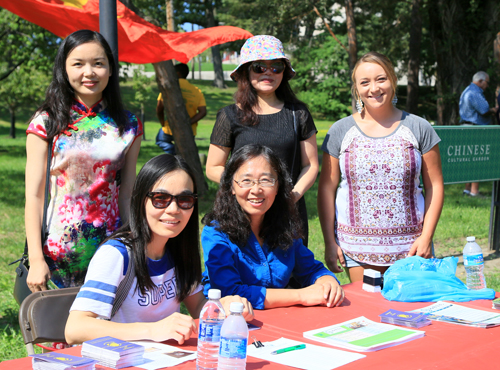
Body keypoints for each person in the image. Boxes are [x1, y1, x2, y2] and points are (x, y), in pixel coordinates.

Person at [65, 154, 253, 344]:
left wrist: (224, 306)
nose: (173, 209)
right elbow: (75, 329)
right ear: (141, 200)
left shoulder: (178, 250)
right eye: (161, 198)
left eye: (185, 199)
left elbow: (198, 307)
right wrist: (153, 329)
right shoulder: (116, 255)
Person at [25, 30, 142, 291]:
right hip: (56, 251)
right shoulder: (46, 122)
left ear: (110, 70)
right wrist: (35, 259)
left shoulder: (128, 125)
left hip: (111, 249)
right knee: (57, 330)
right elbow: (34, 196)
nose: (89, 72)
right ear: (64, 69)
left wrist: (133, 242)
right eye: (78, 64)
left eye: (98, 63)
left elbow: (127, 193)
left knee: (107, 327)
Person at [318, 51, 444, 283]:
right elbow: (326, 188)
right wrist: (329, 241)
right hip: (356, 250)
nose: (373, 88)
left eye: (381, 79)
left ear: (393, 81)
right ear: (357, 89)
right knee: (368, 315)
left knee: (412, 316)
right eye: (364, 82)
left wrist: (426, 237)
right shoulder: (339, 130)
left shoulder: (419, 127)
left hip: (411, 249)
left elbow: (435, 185)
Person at [205, 35, 318, 246]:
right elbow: (213, 166)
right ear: (246, 72)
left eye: (276, 67)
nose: (268, 72)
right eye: (259, 67)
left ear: (284, 72)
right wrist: (247, 190)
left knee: (291, 274)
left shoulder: (298, 113)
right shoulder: (229, 115)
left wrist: (291, 196)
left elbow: (310, 165)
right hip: (242, 213)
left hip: (287, 214)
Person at [201, 144, 344, 310]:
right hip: (229, 324)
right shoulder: (216, 233)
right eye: (246, 181)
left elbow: (311, 268)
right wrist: (301, 295)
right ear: (232, 186)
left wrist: (327, 281)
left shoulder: (283, 225)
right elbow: (230, 293)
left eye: (266, 180)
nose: (256, 189)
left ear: (278, 187)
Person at [459, 71, 497, 196]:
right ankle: (474, 191)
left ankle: (467, 189)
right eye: (487, 82)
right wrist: (495, 109)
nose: (488, 85)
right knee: (477, 158)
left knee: (468, 159)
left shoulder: (467, 90)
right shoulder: (475, 92)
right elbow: (484, 110)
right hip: (475, 129)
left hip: (466, 127)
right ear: (480, 81)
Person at [156, 63, 207, 154]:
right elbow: (203, 112)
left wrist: (162, 122)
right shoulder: (196, 91)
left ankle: (174, 153)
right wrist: (189, 122)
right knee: (186, 151)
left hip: (170, 128)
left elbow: (160, 108)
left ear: (178, 74)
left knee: (161, 140)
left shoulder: (169, 87)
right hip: (189, 130)